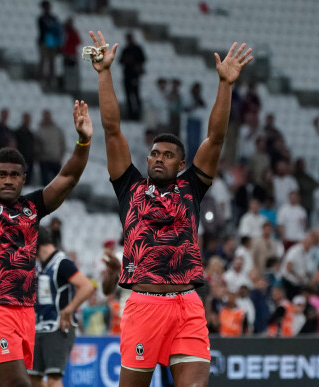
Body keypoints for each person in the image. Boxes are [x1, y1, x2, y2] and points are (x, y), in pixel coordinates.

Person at [88, 30, 252, 386]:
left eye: (168, 155)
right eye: (154, 153)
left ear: (181, 164)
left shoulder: (191, 186)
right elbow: (112, 130)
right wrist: (104, 73)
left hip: (187, 305)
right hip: (143, 304)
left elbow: (217, 138)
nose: (158, 159)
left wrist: (225, 85)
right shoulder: (129, 186)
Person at [0, 90, 93, 387]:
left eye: (14, 174)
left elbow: (68, 178)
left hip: (25, 313)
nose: (8, 179)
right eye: (1, 174)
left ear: (24, 178)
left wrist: (84, 141)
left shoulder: (32, 207)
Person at [29, 227, 94, 387]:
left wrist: (69, 309)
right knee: (32, 378)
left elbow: (86, 286)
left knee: (53, 377)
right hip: (38, 327)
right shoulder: (39, 265)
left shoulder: (62, 262)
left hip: (58, 327)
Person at [119, 32, 146, 120]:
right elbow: (121, 61)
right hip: (127, 76)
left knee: (136, 95)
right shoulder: (125, 49)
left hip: (134, 75)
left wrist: (135, 63)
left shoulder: (137, 49)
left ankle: (138, 114)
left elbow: (143, 59)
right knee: (128, 96)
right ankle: (130, 114)